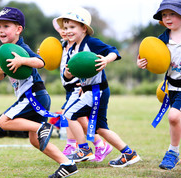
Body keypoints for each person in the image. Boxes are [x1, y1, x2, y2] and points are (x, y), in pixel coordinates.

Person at [0, 7, 78, 178]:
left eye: (6, 26)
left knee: (3, 121)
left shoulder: (20, 48)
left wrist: (22, 60)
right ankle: (67, 163)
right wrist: (1, 66)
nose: (0, 30)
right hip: (36, 96)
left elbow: (40, 62)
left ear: (18, 29)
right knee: (35, 140)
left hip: (33, 95)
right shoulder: (5, 51)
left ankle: (42, 126)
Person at [56, 7, 141, 167]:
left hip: (96, 90)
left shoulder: (91, 42)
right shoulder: (73, 48)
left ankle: (83, 149)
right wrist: (68, 74)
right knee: (100, 128)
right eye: (66, 28)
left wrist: (106, 60)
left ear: (84, 28)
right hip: (92, 90)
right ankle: (129, 153)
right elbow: (70, 75)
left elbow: (113, 51)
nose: (68, 31)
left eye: (72, 27)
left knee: (68, 114)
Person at [137, 0, 181, 174]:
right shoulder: (162, 39)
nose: (167, 18)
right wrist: (142, 62)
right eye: (164, 15)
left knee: (174, 117)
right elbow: (152, 57)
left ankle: (173, 152)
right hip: (172, 86)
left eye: (172, 14)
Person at [52, 18, 112, 162]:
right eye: (62, 29)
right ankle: (96, 145)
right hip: (69, 86)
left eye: (69, 28)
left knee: (71, 115)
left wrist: (84, 86)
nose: (64, 31)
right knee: (75, 117)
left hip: (77, 87)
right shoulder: (64, 46)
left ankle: (79, 146)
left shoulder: (80, 45)